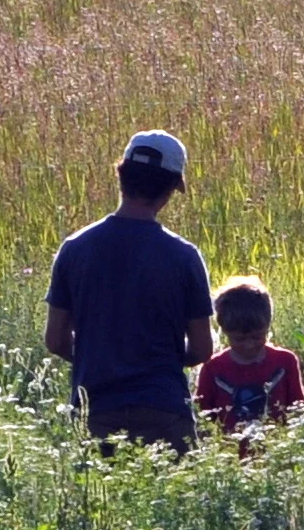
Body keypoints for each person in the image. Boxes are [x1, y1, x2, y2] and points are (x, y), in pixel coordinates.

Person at [43, 131, 214, 452]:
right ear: (171, 188)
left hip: (95, 411)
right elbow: (203, 349)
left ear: (121, 174)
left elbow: (55, 340)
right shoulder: (184, 256)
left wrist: (99, 357)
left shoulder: (74, 249)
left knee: (100, 499)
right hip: (166, 410)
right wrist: (162, 361)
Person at [196, 276, 304, 441]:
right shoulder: (213, 369)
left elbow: (298, 410)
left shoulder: (285, 362)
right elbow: (203, 420)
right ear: (225, 332)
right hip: (230, 457)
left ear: (268, 326)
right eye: (239, 339)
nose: (248, 345)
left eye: (256, 337)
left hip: (279, 452)